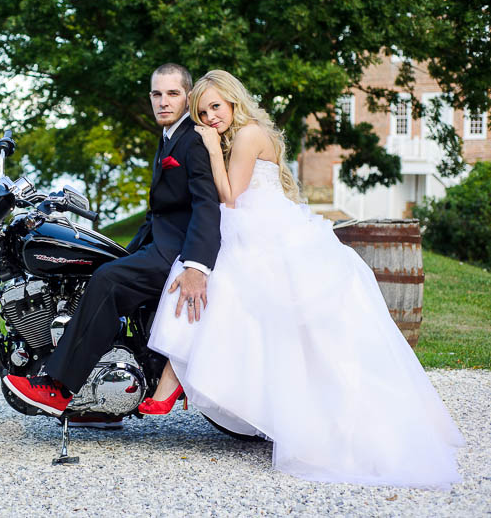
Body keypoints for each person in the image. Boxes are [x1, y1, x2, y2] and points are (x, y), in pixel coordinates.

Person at [143, 69, 465, 489]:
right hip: (253, 227)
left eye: (216, 108)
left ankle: (177, 383)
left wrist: (207, 145)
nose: (210, 118)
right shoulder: (239, 135)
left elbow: (230, 195)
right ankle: (196, 386)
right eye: (203, 113)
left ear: (234, 103)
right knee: (223, 295)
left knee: (216, 287)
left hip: (264, 232)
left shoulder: (246, 136)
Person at [3, 63, 221, 415]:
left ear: (188, 97)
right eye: (157, 94)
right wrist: (124, 251)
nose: (163, 102)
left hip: (179, 251)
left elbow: (206, 206)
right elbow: (159, 212)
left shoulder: (192, 140)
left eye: (172, 94)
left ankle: (58, 388)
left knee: (107, 280)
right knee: (100, 268)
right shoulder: (169, 136)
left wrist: (197, 267)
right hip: (161, 243)